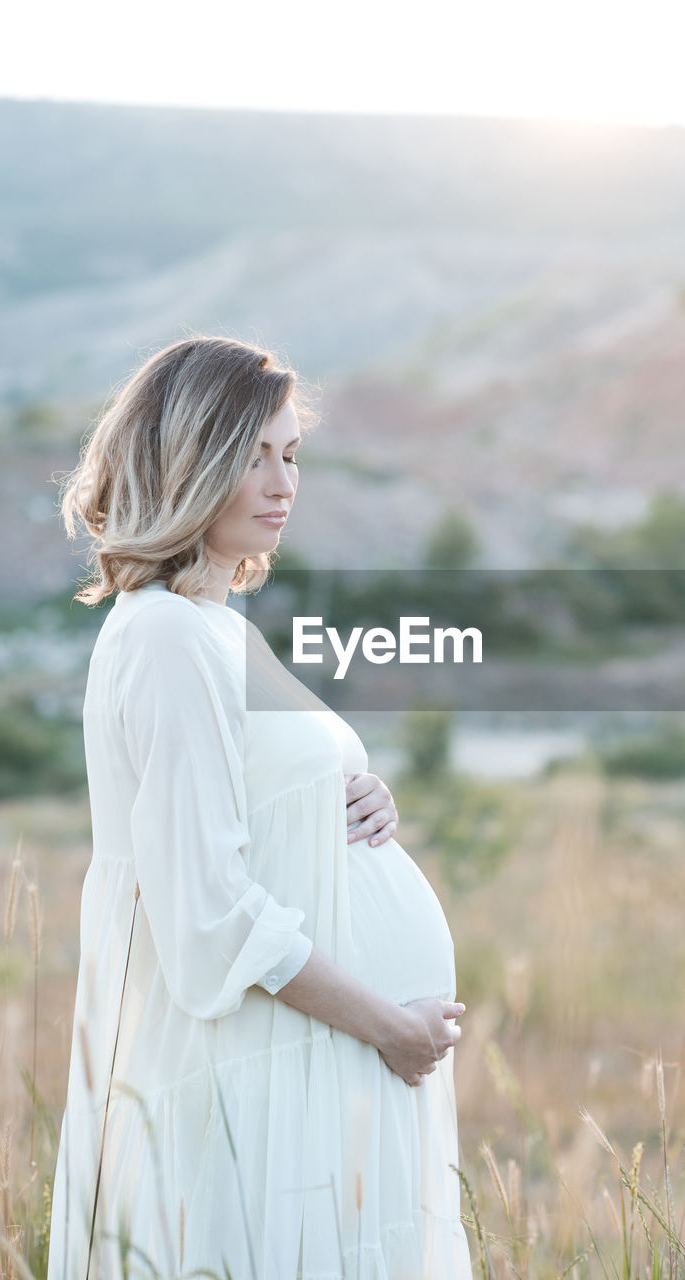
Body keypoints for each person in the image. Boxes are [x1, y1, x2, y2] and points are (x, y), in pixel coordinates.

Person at [49, 335, 471, 1279]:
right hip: (256, 1060)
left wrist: (349, 796)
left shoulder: (208, 621)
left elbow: (254, 800)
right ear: (190, 458)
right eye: (252, 455)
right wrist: (386, 1026)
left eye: (291, 455)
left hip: (292, 1055)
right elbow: (204, 913)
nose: (283, 483)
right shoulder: (164, 636)